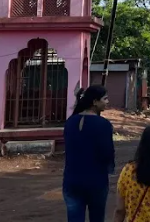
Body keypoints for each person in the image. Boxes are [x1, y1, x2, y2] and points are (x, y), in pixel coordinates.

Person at [63, 85, 115, 222]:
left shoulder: (70, 122)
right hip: (96, 181)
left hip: (72, 180)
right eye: (105, 98)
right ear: (95, 102)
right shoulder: (103, 124)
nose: (107, 102)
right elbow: (107, 154)